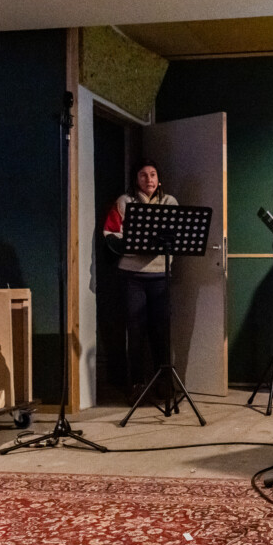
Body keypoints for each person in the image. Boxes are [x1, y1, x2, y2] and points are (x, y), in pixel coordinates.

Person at [103, 159, 178, 397]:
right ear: (136, 179)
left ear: (159, 178)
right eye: (143, 175)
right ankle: (137, 384)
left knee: (161, 331)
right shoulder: (124, 202)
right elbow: (110, 234)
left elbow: (177, 237)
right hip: (132, 276)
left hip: (160, 275)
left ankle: (163, 383)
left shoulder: (169, 202)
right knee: (135, 331)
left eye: (153, 174)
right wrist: (135, 247)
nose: (149, 179)